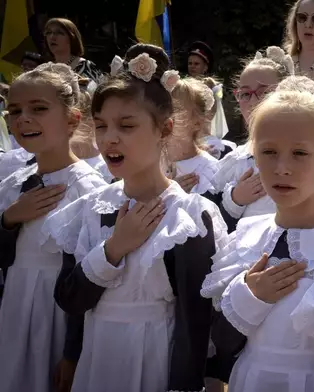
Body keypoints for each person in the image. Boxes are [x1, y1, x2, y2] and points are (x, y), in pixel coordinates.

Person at [50, 43, 228, 392]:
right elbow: (69, 298)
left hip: (154, 360)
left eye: (126, 126)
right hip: (98, 359)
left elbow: (194, 320)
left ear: (164, 129)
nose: (109, 139)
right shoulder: (91, 207)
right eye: (101, 126)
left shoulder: (189, 216)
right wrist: (112, 249)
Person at [201, 88, 314, 392]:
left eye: (299, 153)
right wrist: (251, 298)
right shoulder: (245, 237)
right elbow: (220, 342)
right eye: (269, 152)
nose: (282, 168)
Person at [0, 62, 106, 392]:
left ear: (72, 118)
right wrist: (9, 220)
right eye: (14, 110)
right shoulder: (12, 183)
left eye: (38, 108)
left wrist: (73, 353)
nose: (23, 119)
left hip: (57, 313)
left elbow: (87, 276)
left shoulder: (87, 189)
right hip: (15, 307)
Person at [211, 46, 294, 232]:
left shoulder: (307, 153)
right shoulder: (233, 162)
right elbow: (214, 231)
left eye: (264, 92)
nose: (254, 102)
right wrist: (235, 199)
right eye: (246, 94)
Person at [166, 76, 221, 200]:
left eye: (175, 110)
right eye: (163, 108)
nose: (166, 116)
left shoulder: (210, 170)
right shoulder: (151, 164)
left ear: (197, 122)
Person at [43, 18, 101, 82]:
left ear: (71, 38)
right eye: (49, 32)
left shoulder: (86, 67)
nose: (52, 37)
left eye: (59, 33)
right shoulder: (44, 70)